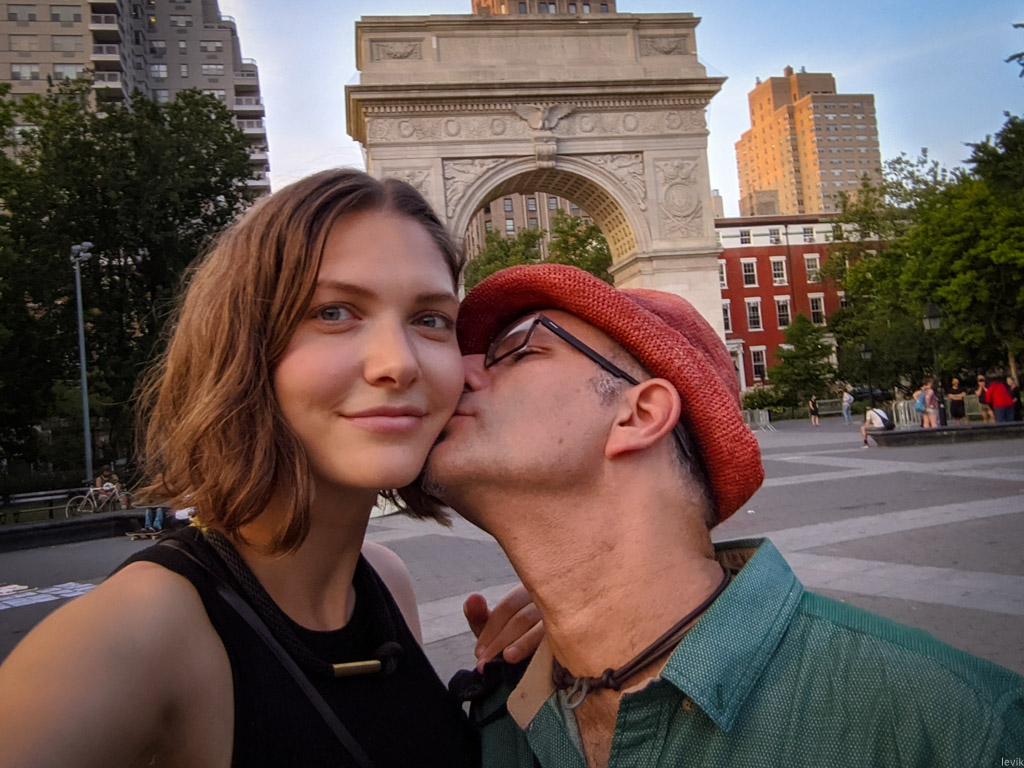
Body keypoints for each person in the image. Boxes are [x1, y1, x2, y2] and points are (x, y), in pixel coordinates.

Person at [0, 170, 541, 767]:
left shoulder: (386, 581)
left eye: (430, 318)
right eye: (334, 312)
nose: (399, 363)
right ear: (242, 345)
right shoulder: (130, 634)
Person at [426, 264, 1024, 768]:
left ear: (640, 415)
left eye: (518, 350)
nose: (457, 372)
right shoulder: (491, 715)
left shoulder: (962, 727)